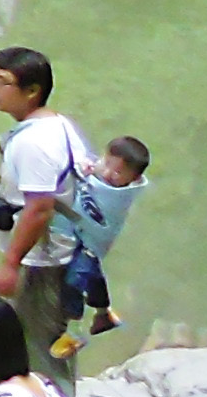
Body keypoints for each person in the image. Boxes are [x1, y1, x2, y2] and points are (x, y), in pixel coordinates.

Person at [0, 45, 88, 390]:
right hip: (65, 252)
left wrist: (11, 263)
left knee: (43, 350)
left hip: (43, 262)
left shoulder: (34, 143)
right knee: (39, 342)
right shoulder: (58, 125)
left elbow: (39, 207)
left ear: (31, 91)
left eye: (2, 82)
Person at [51, 134, 149, 364]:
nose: (107, 174)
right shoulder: (103, 175)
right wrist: (90, 166)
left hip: (91, 243)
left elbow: (87, 181)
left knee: (74, 281)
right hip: (84, 237)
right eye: (106, 164)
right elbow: (91, 170)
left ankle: (73, 331)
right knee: (93, 274)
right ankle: (104, 314)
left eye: (117, 173)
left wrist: (83, 171)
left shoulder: (120, 195)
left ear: (134, 179)